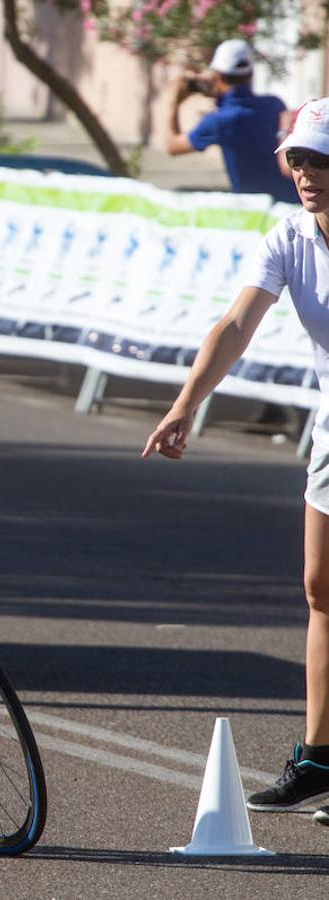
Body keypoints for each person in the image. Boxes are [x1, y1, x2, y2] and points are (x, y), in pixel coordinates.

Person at [143, 96, 329, 822]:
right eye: (299, 159)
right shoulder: (289, 236)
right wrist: (187, 403)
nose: (308, 173)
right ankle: (320, 755)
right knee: (320, 589)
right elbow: (236, 322)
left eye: (322, 160)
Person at [166, 38, 296, 204]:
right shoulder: (275, 104)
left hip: (256, 211)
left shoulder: (218, 121)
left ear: (217, 75)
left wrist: (173, 103)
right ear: (250, 74)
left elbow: (173, 146)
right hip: (293, 203)